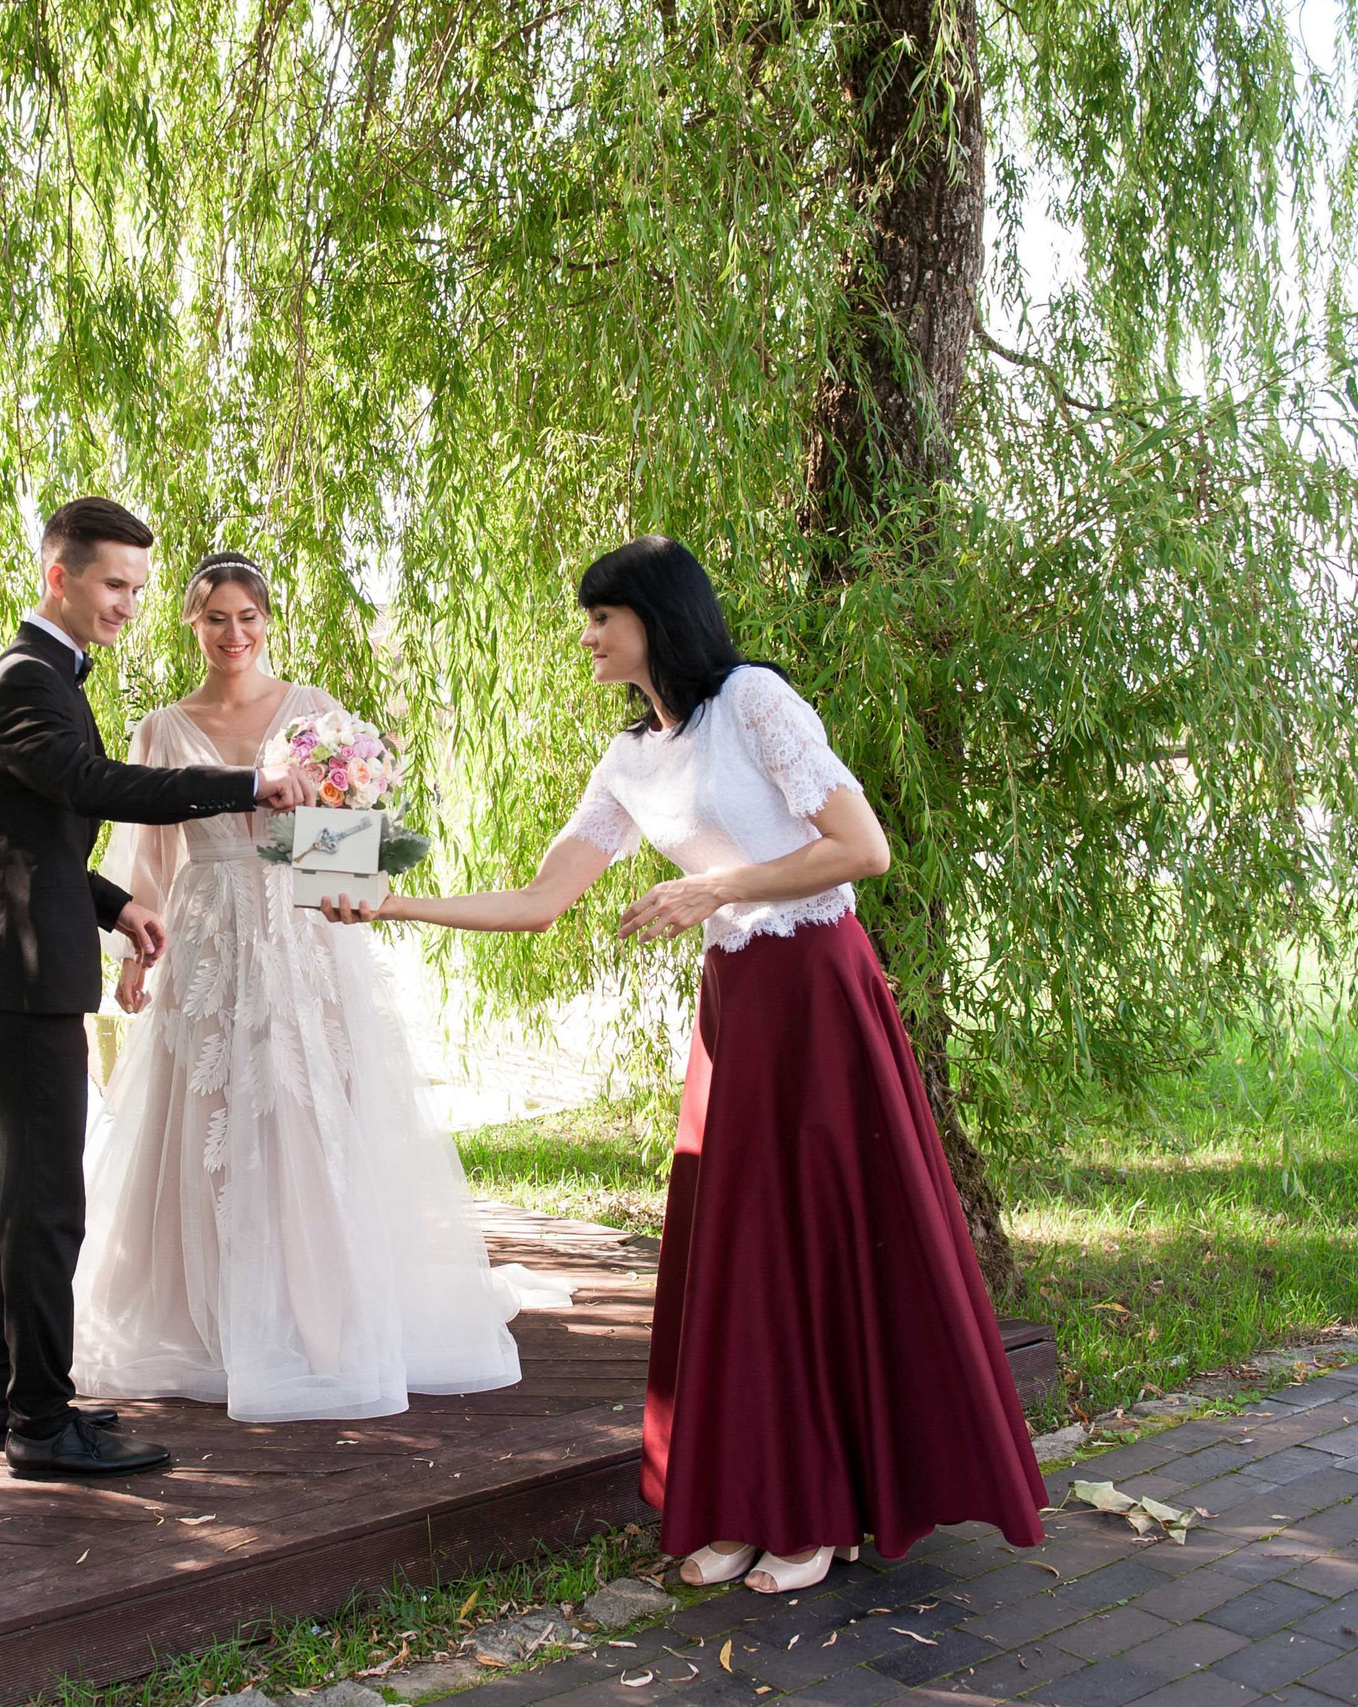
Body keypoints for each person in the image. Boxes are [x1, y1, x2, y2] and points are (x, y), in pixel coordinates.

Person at [321, 536, 1047, 1592]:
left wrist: (713, 888)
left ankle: (820, 1517)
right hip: (739, 1003)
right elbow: (539, 902)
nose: (586, 636)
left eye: (600, 617)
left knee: (814, 1238)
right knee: (744, 1251)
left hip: (819, 991)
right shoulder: (628, 762)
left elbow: (862, 847)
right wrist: (388, 901)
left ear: (654, 618)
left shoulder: (754, 702)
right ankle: (756, 1503)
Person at [72, 554, 567, 1422]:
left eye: (248, 617)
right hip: (205, 931)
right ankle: (208, 1317)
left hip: (300, 933)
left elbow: (345, 837)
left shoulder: (313, 714)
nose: (234, 633)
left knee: (308, 1106)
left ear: (267, 622)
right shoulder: (160, 727)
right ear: (192, 623)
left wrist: (345, 889)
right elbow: (151, 855)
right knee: (207, 1110)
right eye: (216, 617)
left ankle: (321, 1320)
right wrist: (136, 951)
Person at [0, 499, 315, 1480]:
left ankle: (1, 1393)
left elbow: (34, 837)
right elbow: (95, 787)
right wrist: (247, 785)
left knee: (23, 1189)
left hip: (29, 958)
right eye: (114, 584)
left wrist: (116, 908)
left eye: (137, 589)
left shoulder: (43, 677)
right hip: (26, 969)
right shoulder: (27, 681)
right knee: (48, 1200)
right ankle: (40, 1421)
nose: (126, 604)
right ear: (57, 575)